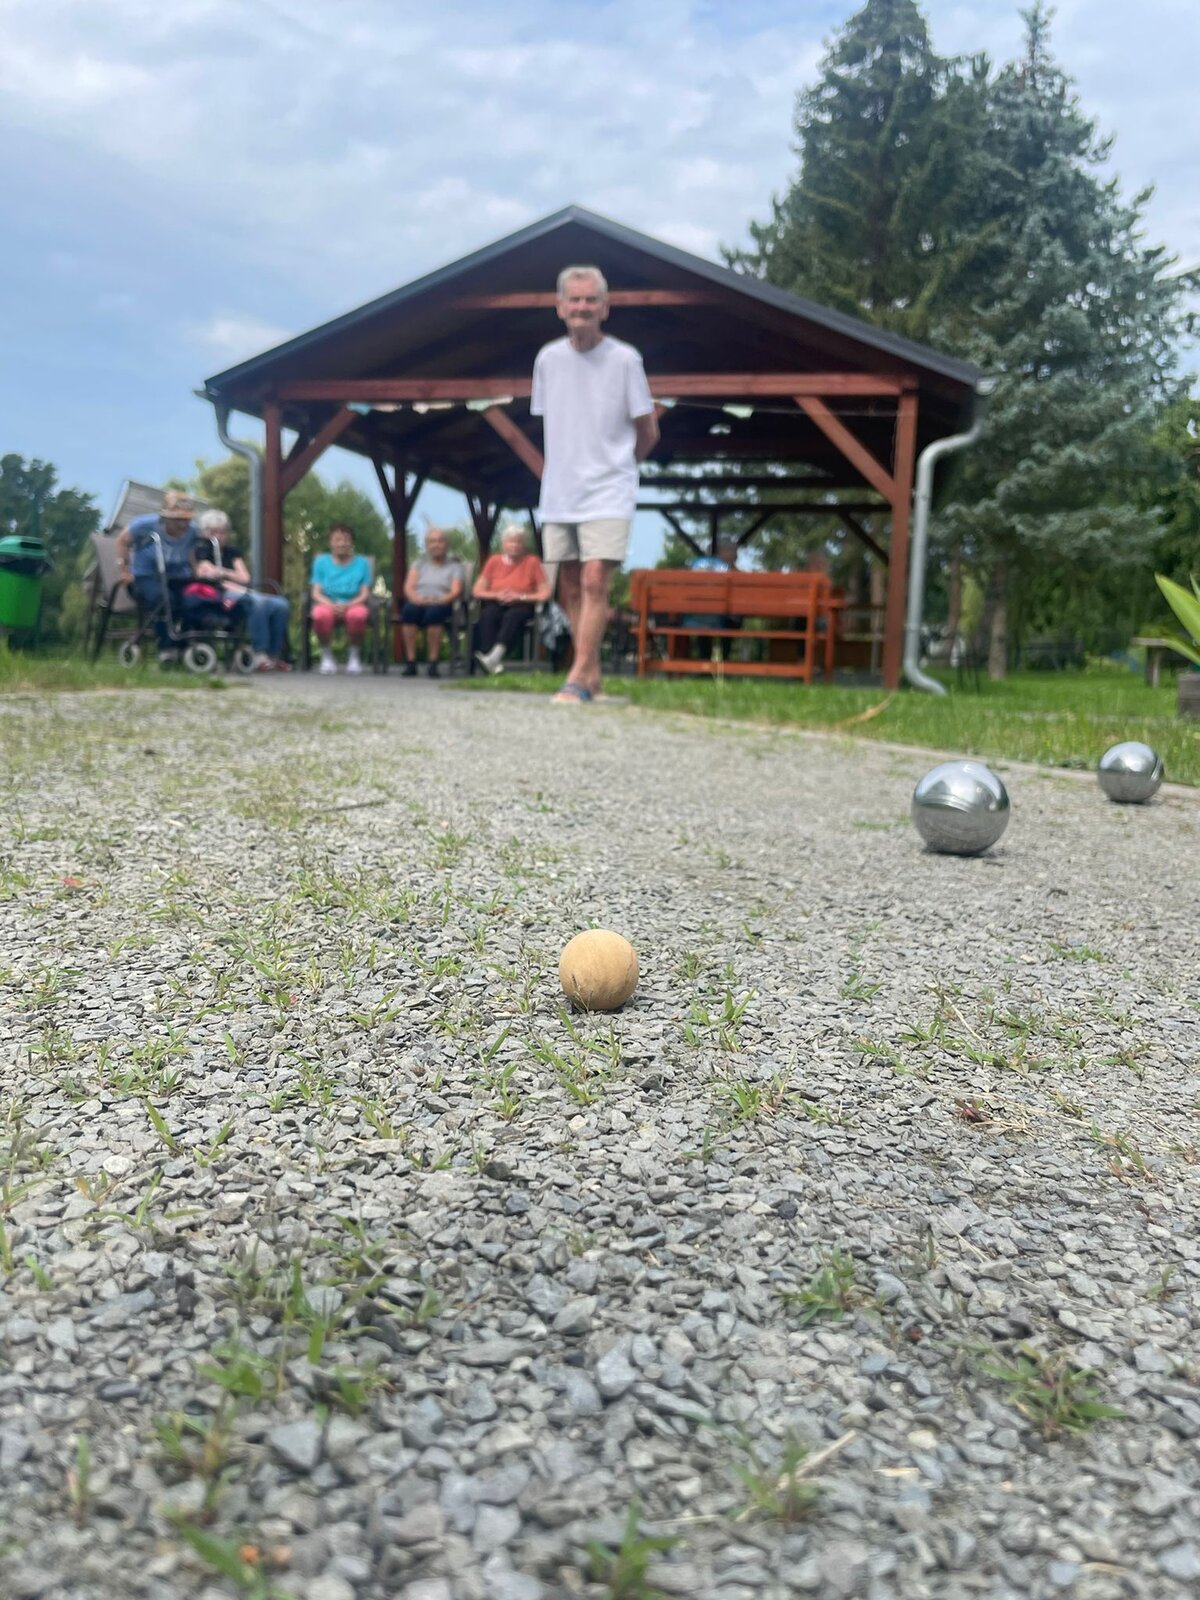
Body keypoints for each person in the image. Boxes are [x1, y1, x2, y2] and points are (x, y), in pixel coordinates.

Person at [531, 264, 659, 704]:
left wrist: (622, 467)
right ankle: (595, 677)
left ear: (605, 307)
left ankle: (576, 677)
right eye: (575, 299)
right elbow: (554, 422)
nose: (582, 307)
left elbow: (649, 431)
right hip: (559, 492)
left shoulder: (625, 360)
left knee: (594, 579)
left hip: (609, 490)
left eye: (591, 300)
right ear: (560, 306)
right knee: (568, 585)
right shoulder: (547, 360)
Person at [194, 509, 291, 672]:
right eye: (214, 532)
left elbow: (245, 578)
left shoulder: (232, 552)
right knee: (258, 602)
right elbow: (207, 576)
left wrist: (222, 572)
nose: (219, 536)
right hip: (220, 595)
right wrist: (231, 579)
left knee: (281, 604)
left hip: (242, 591)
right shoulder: (201, 552)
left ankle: (274, 655)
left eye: (223, 532)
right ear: (205, 533)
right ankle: (260, 652)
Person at [114, 489, 204, 662]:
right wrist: (124, 570)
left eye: (186, 519)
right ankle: (167, 648)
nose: (183, 525)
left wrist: (198, 573)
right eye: (178, 520)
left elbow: (193, 553)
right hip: (146, 578)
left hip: (177, 578)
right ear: (166, 517)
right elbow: (122, 541)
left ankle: (187, 646)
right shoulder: (144, 525)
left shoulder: (193, 531)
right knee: (164, 599)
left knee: (194, 599)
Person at [472, 525, 551, 674]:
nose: (514, 545)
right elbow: (477, 591)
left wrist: (520, 596)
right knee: (488, 614)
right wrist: (497, 595)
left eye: (518, 542)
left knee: (513, 616)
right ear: (503, 544)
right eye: (511, 542)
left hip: (522, 604)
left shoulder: (532, 562)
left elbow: (545, 593)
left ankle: (494, 657)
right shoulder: (494, 561)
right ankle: (490, 660)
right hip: (497, 602)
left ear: (524, 545)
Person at [400, 526, 465, 678]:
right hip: (419, 600)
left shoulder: (455, 567)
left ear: (446, 544)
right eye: (432, 541)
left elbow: (456, 591)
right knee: (408, 611)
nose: (436, 545)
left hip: (442, 602)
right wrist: (416, 598)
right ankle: (411, 662)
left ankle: (433, 662)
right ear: (427, 545)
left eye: (440, 541)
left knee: (434, 614)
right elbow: (408, 587)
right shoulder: (419, 564)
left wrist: (438, 600)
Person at [310, 523, 373, 674]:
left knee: (358, 615)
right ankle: (326, 656)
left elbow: (365, 593)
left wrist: (348, 605)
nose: (342, 543)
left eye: (346, 539)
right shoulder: (321, 562)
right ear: (331, 542)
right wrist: (331, 605)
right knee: (319, 615)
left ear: (352, 543)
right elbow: (316, 593)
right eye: (337, 539)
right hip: (327, 602)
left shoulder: (362, 563)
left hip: (354, 603)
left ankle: (354, 656)